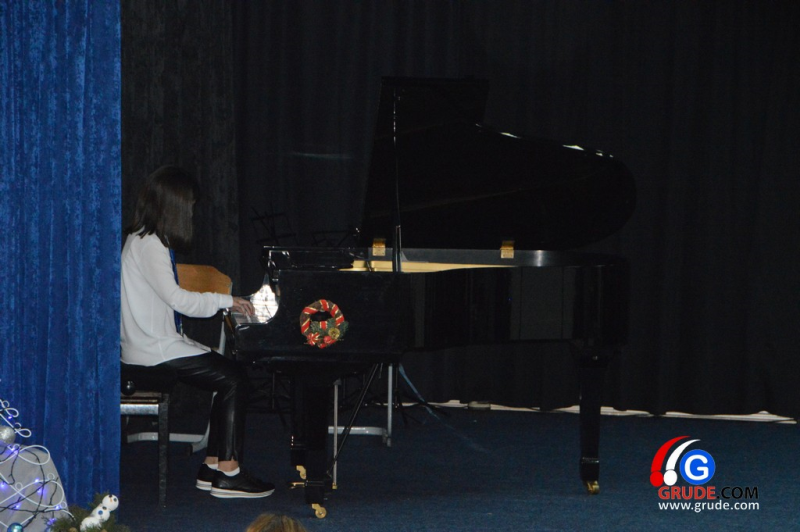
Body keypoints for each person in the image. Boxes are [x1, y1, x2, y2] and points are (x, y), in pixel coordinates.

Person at [120, 165, 274, 499]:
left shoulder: (143, 239)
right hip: (152, 352)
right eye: (189, 206)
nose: (191, 213)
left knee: (227, 372)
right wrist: (227, 301)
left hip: (151, 344)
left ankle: (211, 466)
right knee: (234, 378)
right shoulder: (149, 245)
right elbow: (179, 300)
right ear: (174, 206)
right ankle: (229, 473)